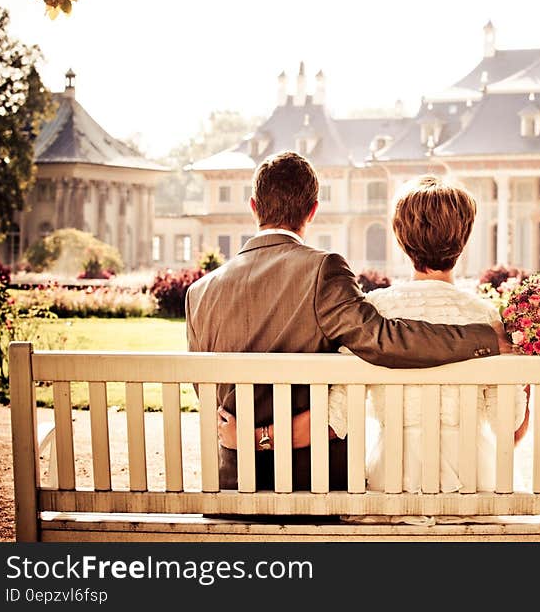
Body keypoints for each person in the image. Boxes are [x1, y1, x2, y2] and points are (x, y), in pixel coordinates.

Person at [185, 150, 511, 491]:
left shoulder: (198, 292)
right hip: (314, 483)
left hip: (234, 483)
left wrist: (250, 438)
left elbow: (207, 395)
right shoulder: (322, 270)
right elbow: (383, 340)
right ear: (313, 210)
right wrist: (486, 339)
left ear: (253, 207)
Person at [327, 175, 530, 492]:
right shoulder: (486, 317)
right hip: (473, 483)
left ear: (400, 238)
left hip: (395, 482)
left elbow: (337, 419)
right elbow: (510, 429)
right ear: (464, 239)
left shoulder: (373, 315)